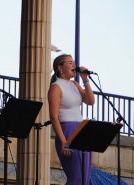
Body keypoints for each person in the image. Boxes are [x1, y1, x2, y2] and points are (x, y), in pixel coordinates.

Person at [47, 54, 95, 185]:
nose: (74, 65)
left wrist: (86, 80)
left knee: (84, 180)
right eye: (69, 62)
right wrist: (63, 141)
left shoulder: (75, 84)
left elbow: (90, 101)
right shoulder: (56, 87)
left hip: (81, 131)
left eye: (73, 62)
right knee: (77, 178)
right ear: (60, 68)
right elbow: (53, 117)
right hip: (67, 131)